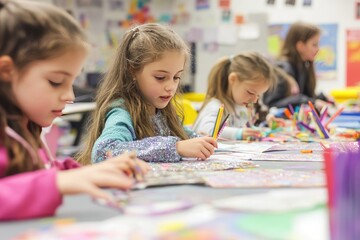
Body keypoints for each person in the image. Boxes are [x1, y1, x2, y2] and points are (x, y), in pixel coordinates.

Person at [0, 0, 149, 220]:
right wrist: (58, 182)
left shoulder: (25, 125)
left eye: (71, 81)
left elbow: (37, 172)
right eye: (56, 81)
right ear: (7, 70)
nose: (70, 96)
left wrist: (82, 172)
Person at [76, 23, 217, 165]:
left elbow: (180, 133)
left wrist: (201, 140)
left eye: (176, 77)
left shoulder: (159, 109)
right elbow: (104, 152)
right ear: (132, 71)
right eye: (160, 78)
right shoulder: (121, 112)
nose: (171, 87)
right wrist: (176, 147)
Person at [193, 52, 281, 141]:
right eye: (250, 92)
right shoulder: (215, 106)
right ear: (233, 79)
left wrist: (267, 119)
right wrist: (238, 133)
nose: (254, 100)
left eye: (258, 95)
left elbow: (256, 118)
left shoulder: (241, 104)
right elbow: (206, 130)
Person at [263, 22, 333, 111]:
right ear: (300, 46)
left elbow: (304, 95)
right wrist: (311, 102)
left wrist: (322, 97)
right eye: (314, 44)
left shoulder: (303, 66)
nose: (318, 49)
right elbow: (272, 103)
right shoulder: (283, 68)